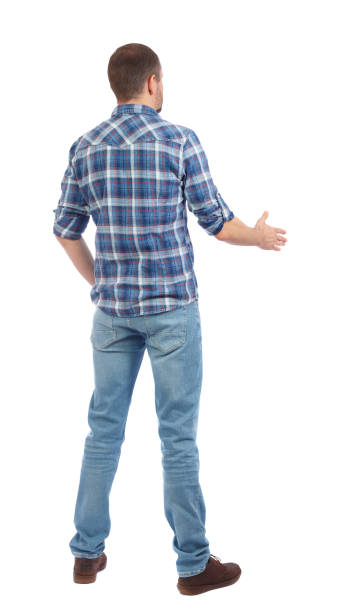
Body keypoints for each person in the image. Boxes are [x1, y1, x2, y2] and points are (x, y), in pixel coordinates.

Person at [53, 42, 287, 595]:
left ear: (118, 85)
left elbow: (65, 229)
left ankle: (86, 555)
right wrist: (256, 237)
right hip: (172, 312)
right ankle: (193, 565)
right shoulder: (178, 140)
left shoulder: (85, 147)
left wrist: (100, 281)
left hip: (112, 314)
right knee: (177, 437)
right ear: (153, 83)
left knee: (102, 431)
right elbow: (218, 222)